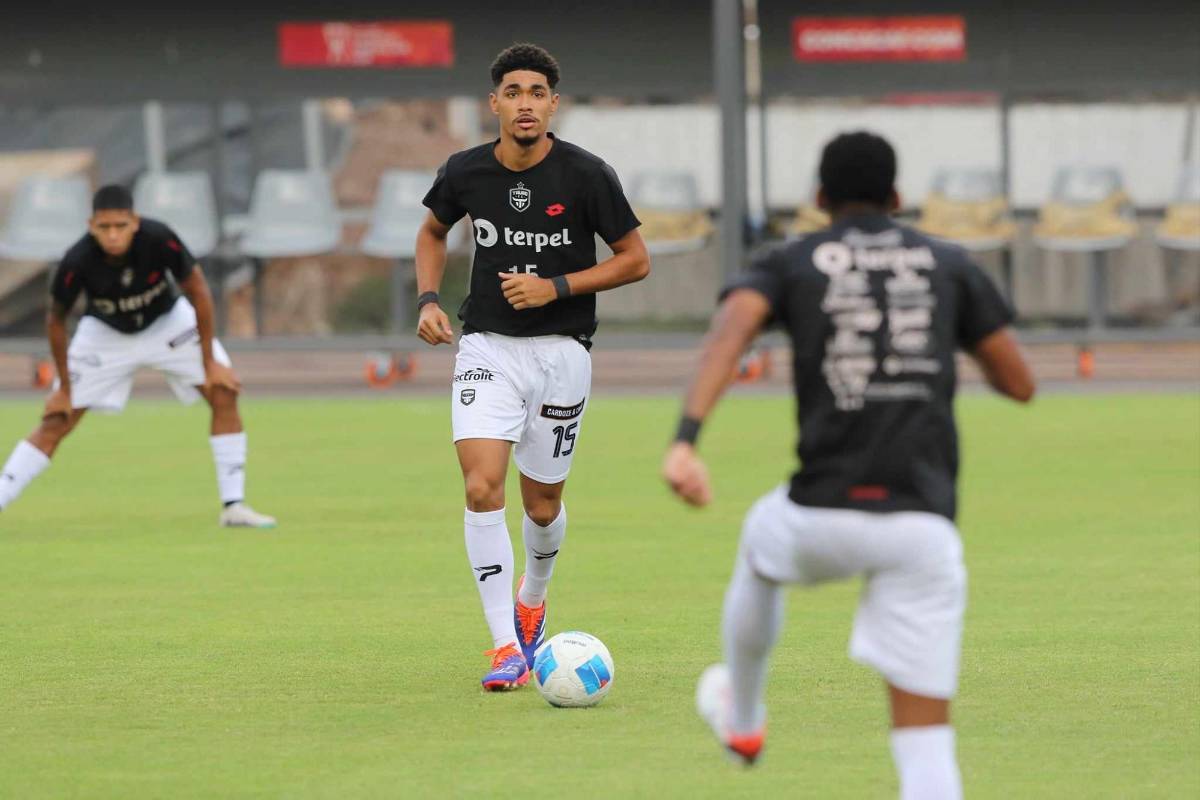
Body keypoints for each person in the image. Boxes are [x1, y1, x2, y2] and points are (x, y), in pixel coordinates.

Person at [663, 132, 1034, 797]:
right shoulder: (947, 263)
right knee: (926, 748)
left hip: (817, 514)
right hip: (921, 525)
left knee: (757, 547)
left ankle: (744, 719)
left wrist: (686, 438)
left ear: (818, 199)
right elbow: (1019, 382)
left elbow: (732, 328)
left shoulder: (792, 260)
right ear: (897, 198)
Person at [416, 43, 649, 690]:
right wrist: (429, 299)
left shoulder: (587, 175)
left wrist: (558, 287)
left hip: (562, 353)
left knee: (542, 505)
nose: (525, 103)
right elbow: (433, 232)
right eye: (513, 92)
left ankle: (533, 594)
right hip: (487, 346)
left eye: (537, 92)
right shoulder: (465, 171)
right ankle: (504, 648)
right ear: (494, 103)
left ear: (553, 103)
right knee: (480, 486)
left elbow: (635, 259)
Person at [0, 184, 275, 529]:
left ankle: (233, 506)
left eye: (120, 226)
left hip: (167, 323)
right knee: (57, 420)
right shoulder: (77, 260)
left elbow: (200, 292)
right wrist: (64, 388)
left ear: (134, 222)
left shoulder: (160, 239)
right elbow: (55, 321)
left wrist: (209, 363)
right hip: (105, 334)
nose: (113, 235)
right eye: (104, 228)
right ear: (91, 226)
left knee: (224, 392)